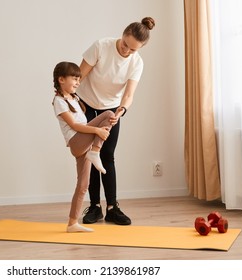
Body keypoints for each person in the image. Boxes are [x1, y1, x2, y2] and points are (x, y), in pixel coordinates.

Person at [77, 17, 156, 225]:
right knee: (89, 155)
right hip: (86, 104)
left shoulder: (137, 62)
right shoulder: (101, 46)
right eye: (125, 45)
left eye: (133, 50)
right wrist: (73, 101)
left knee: (107, 156)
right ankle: (94, 207)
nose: (126, 51)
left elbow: (129, 94)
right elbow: (79, 76)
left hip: (112, 109)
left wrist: (121, 110)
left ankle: (112, 207)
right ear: (122, 35)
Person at [52, 61, 115, 233]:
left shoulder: (75, 98)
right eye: (74, 79)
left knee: (83, 185)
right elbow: (75, 125)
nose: (78, 82)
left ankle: (72, 223)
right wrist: (97, 131)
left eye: (79, 79)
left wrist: (98, 132)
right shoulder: (59, 101)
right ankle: (96, 152)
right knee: (109, 114)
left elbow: (83, 124)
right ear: (61, 79)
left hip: (84, 145)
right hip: (77, 141)